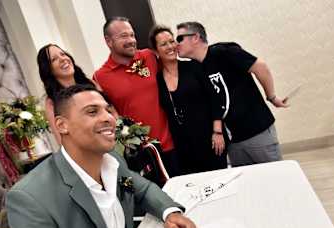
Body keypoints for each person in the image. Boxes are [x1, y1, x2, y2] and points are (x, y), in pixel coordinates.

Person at [6, 84, 198, 228]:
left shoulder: (113, 162)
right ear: (61, 125)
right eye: (92, 111)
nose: (109, 118)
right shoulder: (31, 199)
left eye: (108, 110)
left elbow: (140, 189)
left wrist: (170, 212)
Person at [176, 21, 289, 167]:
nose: (176, 44)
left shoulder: (224, 52)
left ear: (195, 37)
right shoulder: (196, 68)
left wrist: (272, 96)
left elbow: (260, 67)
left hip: (257, 131)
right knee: (246, 184)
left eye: (180, 39)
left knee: (275, 178)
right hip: (233, 140)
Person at [93, 17, 180, 176]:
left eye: (132, 35)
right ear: (108, 41)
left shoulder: (149, 56)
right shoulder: (100, 77)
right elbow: (110, 116)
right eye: (124, 36)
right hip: (141, 155)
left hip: (172, 146)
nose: (131, 40)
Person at [149, 25, 227, 175]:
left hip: (210, 139)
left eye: (172, 41)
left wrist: (217, 132)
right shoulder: (157, 80)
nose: (171, 46)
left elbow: (215, 98)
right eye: (164, 44)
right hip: (183, 147)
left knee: (220, 181)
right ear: (155, 51)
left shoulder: (193, 66)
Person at [37, 44, 96, 145]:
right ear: (48, 70)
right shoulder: (52, 102)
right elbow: (62, 140)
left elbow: (112, 113)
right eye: (54, 59)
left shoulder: (90, 83)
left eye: (63, 54)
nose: (63, 59)